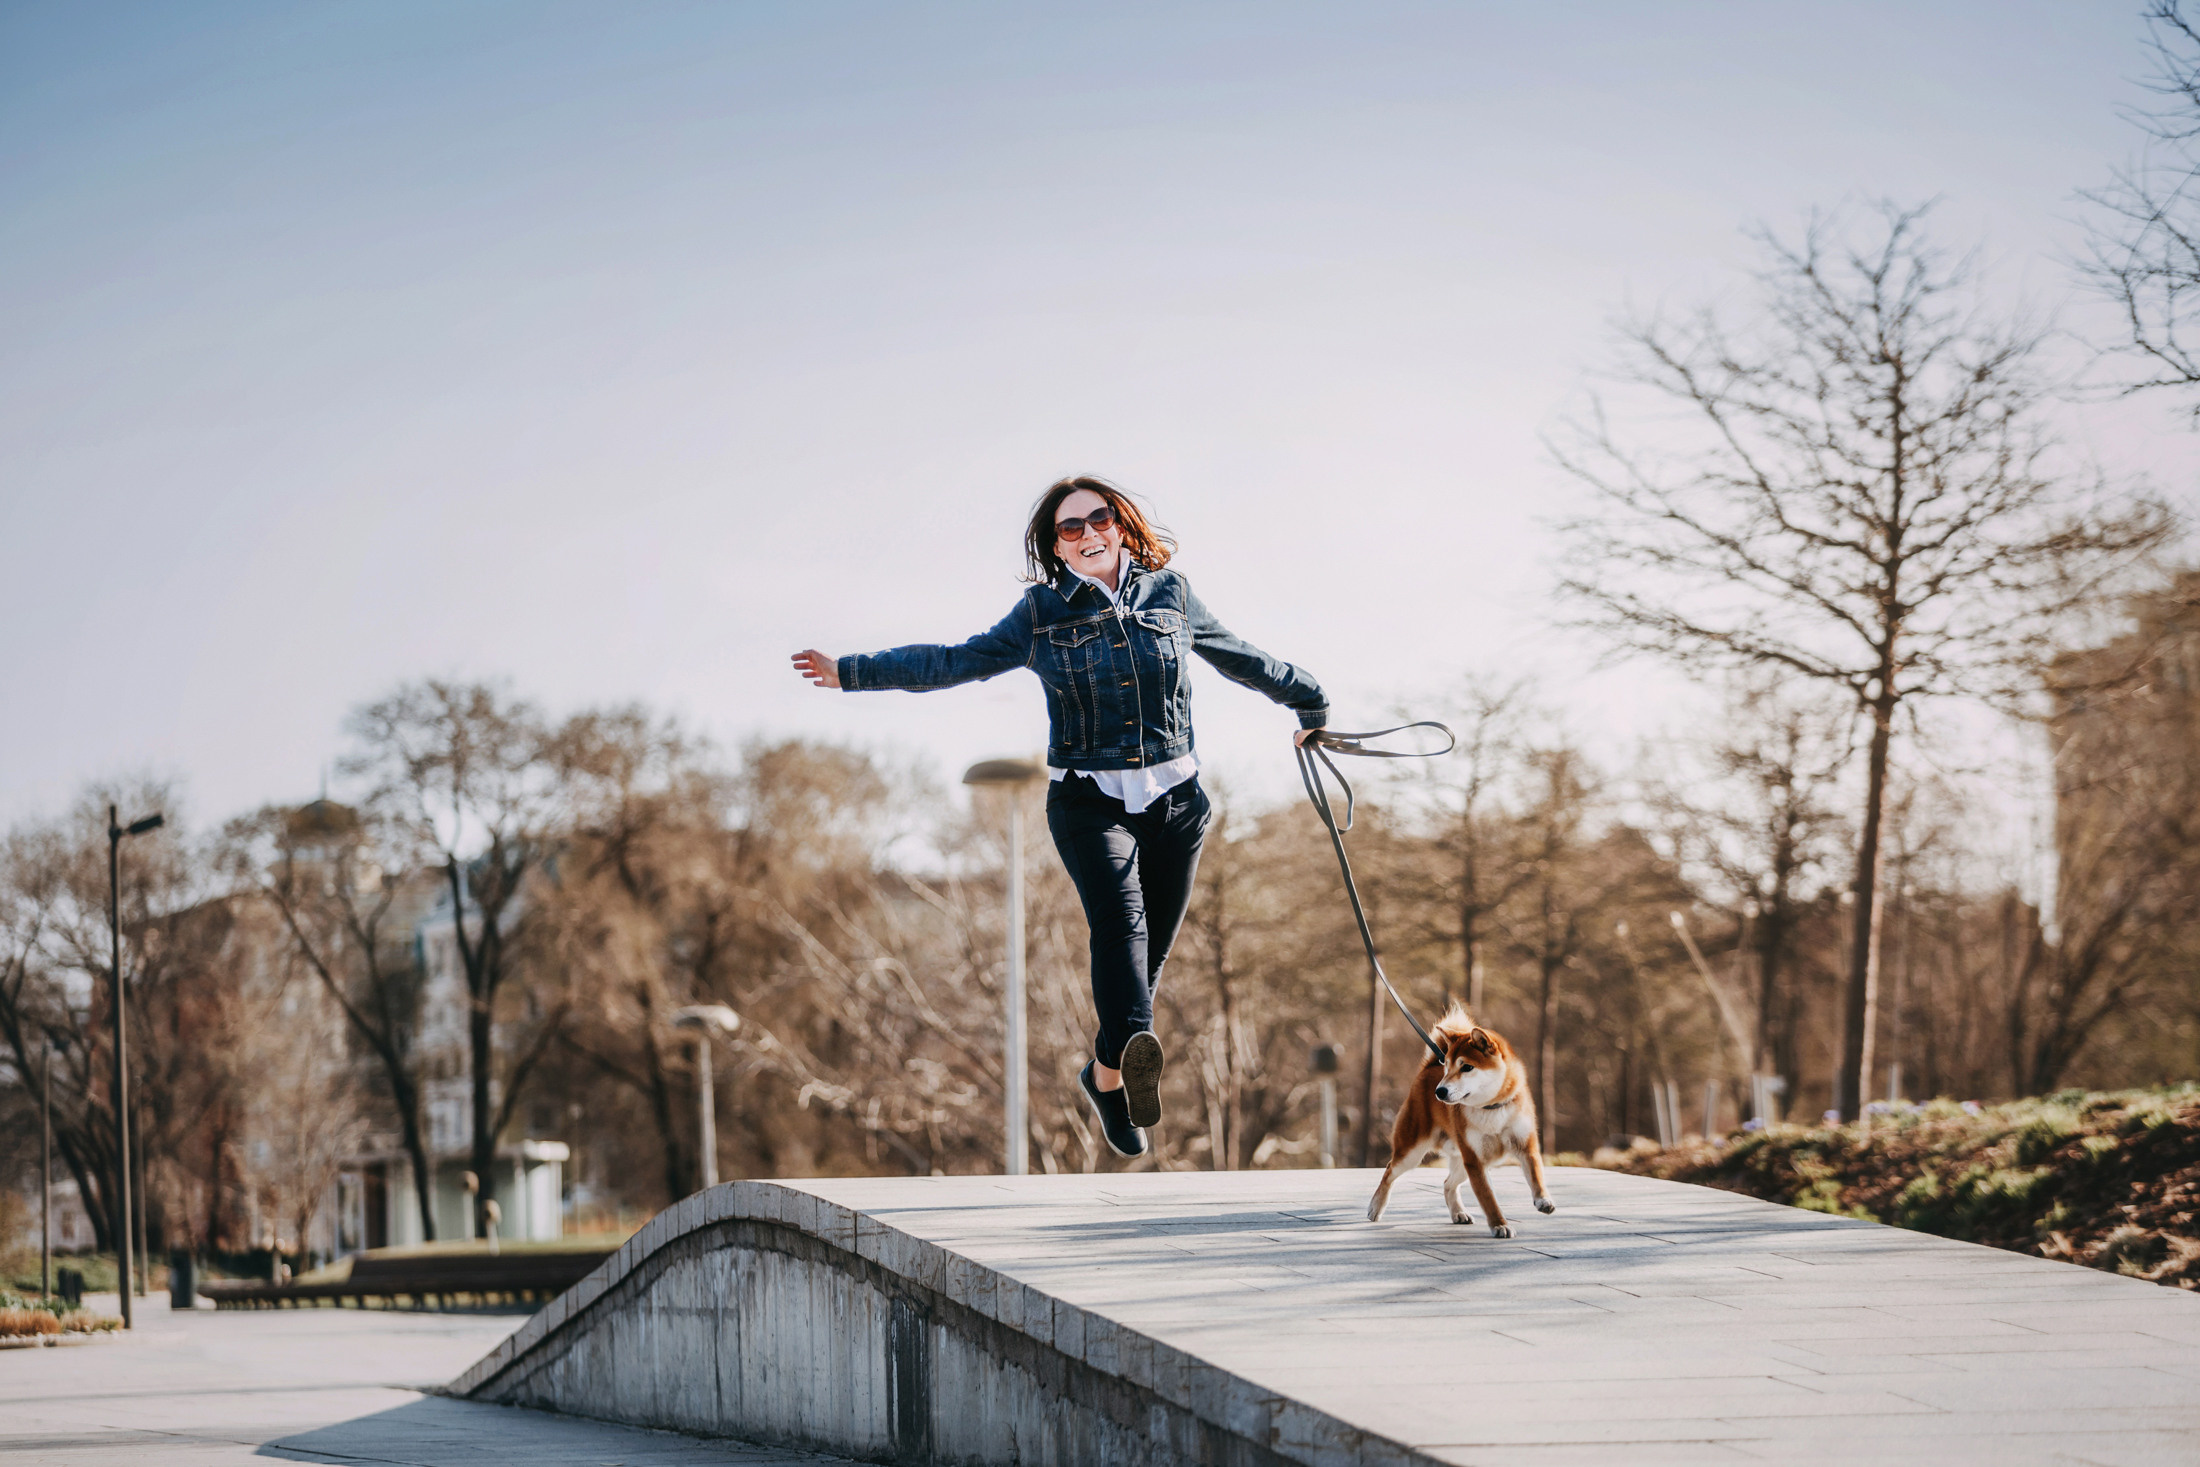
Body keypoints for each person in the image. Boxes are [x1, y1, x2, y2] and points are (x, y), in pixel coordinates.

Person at [791, 476, 1327, 1159]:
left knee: (1145, 965)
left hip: (1177, 805)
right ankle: (1121, 1069)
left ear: (1121, 523)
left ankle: (1106, 1076)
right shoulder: (1041, 613)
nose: (1088, 533)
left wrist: (1309, 700)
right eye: (1069, 529)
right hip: (1089, 802)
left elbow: (1241, 658)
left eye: (1098, 518)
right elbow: (956, 660)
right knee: (1121, 933)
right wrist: (854, 671)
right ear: (1057, 548)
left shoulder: (1172, 594)